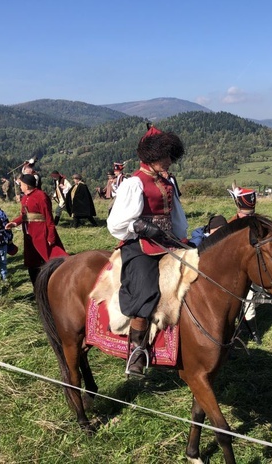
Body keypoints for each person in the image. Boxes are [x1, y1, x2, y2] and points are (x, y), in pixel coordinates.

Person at [107, 125, 188, 377]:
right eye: (165, 156)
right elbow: (116, 223)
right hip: (139, 244)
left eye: (169, 156)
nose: (169, 161)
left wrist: (182, 238)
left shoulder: (166, 182)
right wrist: (141, 226)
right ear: (151, 157)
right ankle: (136, 351)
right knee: (145, 291)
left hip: (169, 240)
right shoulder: (134, 183)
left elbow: (176, 215)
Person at [6, 174, 67, 285]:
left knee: (49, 260)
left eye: (21, 184)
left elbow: (48, 218)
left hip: (41, 234)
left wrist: (51, 237)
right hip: (29, 235)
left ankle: (55, 285)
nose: (20, 186)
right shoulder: (24, 198)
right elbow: (25, 215)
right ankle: (37, 286)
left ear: (27, 185)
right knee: (32, 263)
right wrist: (15, 222)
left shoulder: (41, 196)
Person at [228, 185, 261, 343]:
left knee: (251, 301)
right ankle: (245, 333)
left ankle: (252, 331)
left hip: (254, 267)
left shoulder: (258, 223)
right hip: (235, 271)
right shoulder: (231, 225)